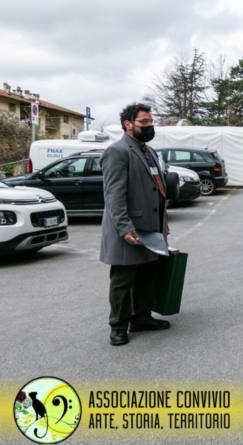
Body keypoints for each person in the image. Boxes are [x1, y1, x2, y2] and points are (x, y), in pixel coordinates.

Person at [99, 103, 171, 346]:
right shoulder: (117, 152)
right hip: (128, 229)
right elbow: (114, 195)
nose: (149, 126)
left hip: (151, 228)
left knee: (147, 276)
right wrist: (124, 228)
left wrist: (164, 222)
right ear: (128, 124)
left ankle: (141, 318)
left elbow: (158, 190)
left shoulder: (148, 151)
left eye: (151, 122)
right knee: (123, 280)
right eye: (144, 122)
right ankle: (118, 326)